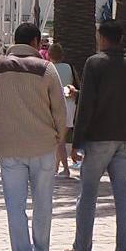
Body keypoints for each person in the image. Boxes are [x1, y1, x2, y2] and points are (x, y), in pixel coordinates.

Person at [0, 23, 67, 251]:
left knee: (15, 205)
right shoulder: (46, 68)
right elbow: (60, 110)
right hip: (42, 144)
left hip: (10, 146)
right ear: (35, 42)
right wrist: (59, 137)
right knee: (43, 202)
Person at [64, 20, 126, 251]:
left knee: (88, 195)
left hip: (99, 139)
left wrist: (76, 141)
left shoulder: (94, 63)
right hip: (124, 137)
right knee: (124, 198)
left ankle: (82, 249)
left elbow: (87, 105)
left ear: (102, 37)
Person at [48, 42, 79, 178]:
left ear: (49, 55)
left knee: (58, 139)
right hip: (71, 104)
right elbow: (77, 84)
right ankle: (56, 168)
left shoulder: (49, 68)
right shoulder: (69, 67)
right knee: (62, 137)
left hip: (57, 105)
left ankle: (65, 170)